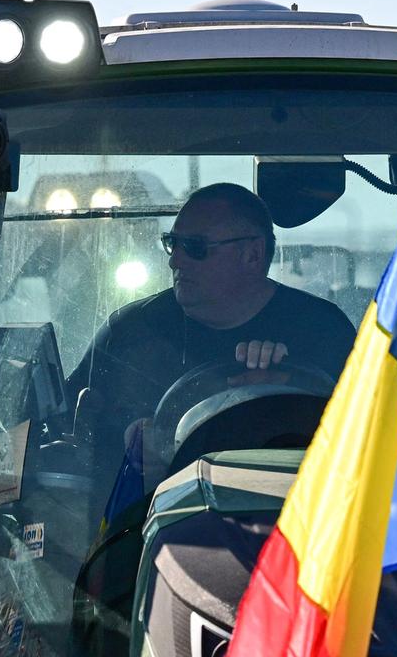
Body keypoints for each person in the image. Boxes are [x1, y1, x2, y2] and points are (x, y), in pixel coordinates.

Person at [66, 183, 356, 460]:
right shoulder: (130, 332)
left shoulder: (322, 332)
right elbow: (67, 432)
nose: (175, 261)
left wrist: (288, 392)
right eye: (172, 243)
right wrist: (134, 457)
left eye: (194, 246)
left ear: (252, 254)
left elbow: (362, 438)